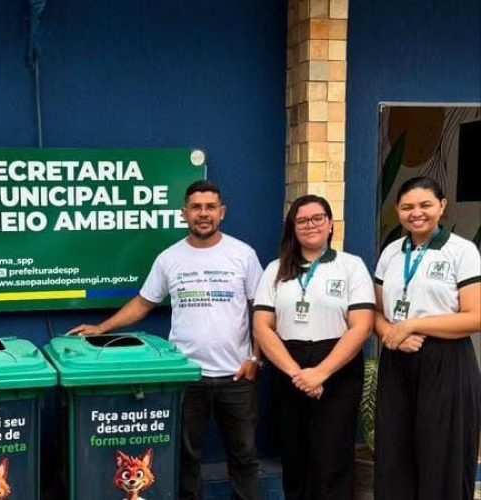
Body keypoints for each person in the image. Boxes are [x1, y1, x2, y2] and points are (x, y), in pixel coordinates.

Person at [70, 179, 264, 500]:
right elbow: (144, 302)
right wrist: (101, 328)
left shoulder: (242, 255)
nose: (203, 214)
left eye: (210, 207)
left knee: (243, 457)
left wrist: (255, 358)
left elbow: (260, 309)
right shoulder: (170, 258)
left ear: (222, 212)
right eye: (196, 207)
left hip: (237, 376)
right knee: (186, 457)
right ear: (183, 213)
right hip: (185, 375)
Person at [252, 195, 374, 500]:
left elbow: (361, 326)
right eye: (302, 220)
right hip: (287, 366)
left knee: (332, 458)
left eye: (317, 218)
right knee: (294, 457)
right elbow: (263, 327)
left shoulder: (351, 266)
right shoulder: (276, 269)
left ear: (330, 224)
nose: (311, 225)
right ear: (293, 227)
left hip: (338, 368)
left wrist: (320, 373)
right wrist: (298, 374)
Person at [373, 176, 480, 500]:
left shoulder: (461, 251)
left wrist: (412, 326)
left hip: (445, 362)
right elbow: (375, 312)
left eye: (425, 205)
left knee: (441, 456)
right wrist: (392, 333)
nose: (415, 213)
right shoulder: (391, 251)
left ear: (442, 206)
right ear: (398, 210)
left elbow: (475, 317)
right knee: (394, 454)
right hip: (397, 361)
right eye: (407, 207)